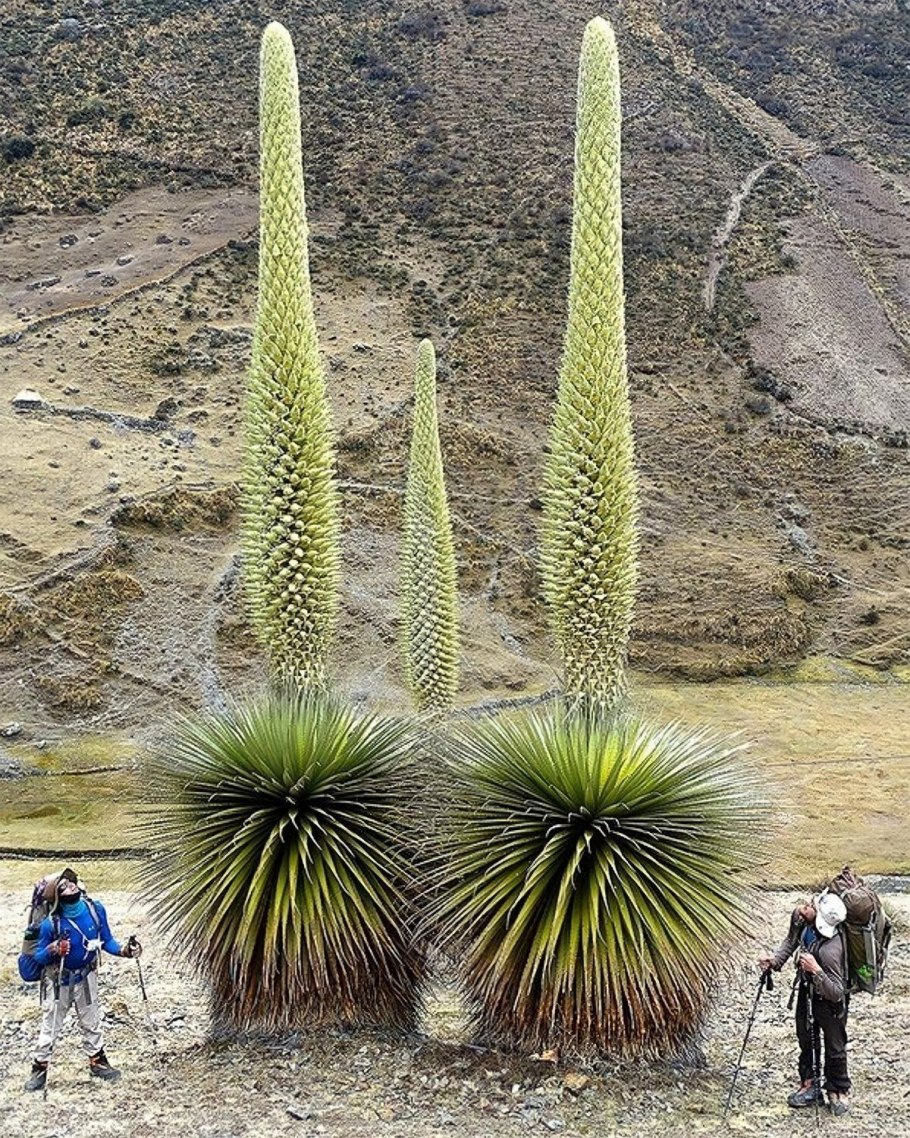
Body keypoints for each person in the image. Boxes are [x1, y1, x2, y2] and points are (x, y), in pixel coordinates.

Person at [24, 867, 142, 1092]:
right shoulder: (51, 923)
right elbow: (38, 956)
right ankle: (39, 1069)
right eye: (64, 887)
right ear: (59, 897)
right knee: (50, 1027)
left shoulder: (95, 910)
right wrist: (53, 948)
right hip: (58, 982)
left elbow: (106, 940)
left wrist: (125, 951)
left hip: (86, 976)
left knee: (92, 1021)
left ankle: (97, 1062)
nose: (72, 886)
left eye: (71, 883)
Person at [758, 888, 850, 1116]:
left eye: (812, 906)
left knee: (834, 1042)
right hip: (806, 991)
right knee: (806, 1037)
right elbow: (791, 940)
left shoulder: (831, 949)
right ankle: (810, 1084)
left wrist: (816, 971)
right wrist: (776, 960)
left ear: (819, 919)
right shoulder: (801, 919)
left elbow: (837, 992)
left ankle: (838, 1089)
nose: (806, 906)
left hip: (829, 1002)